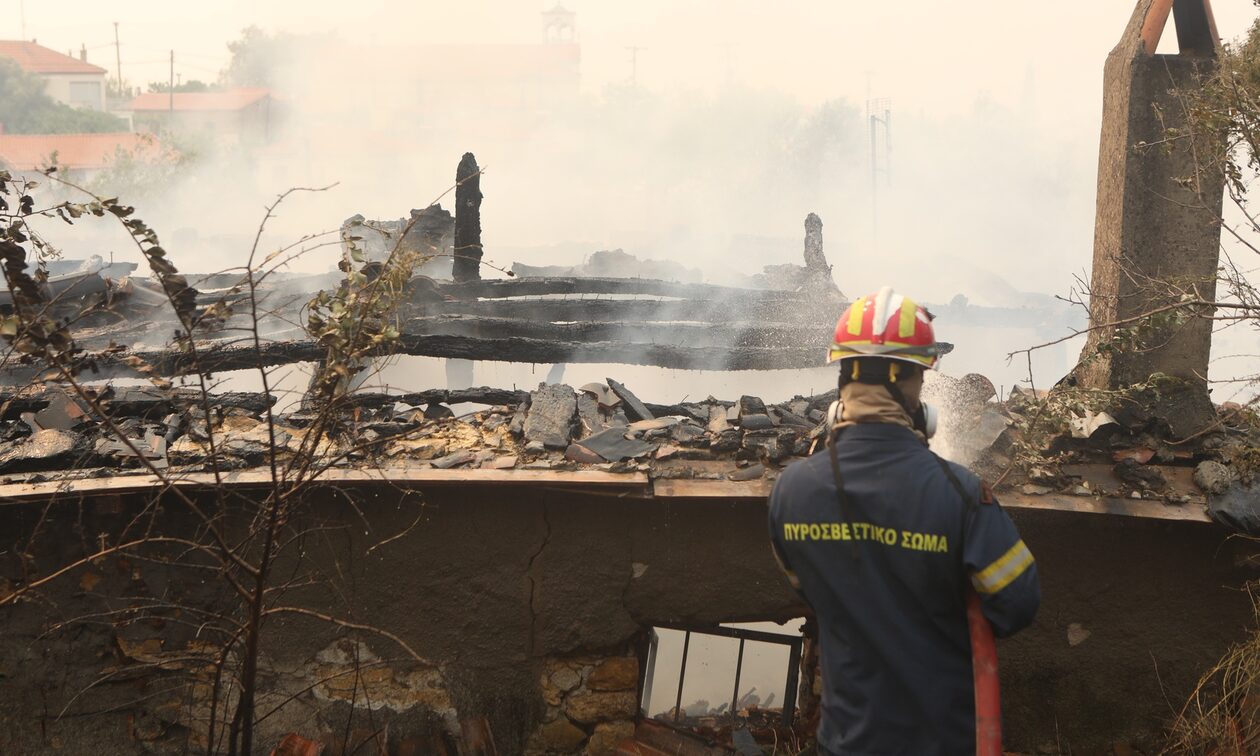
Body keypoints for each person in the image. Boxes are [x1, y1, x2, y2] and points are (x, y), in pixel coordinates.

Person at [768, 286, 1040, 755]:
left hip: (842, 742)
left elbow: (807, 588)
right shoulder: (962, 495)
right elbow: (1018, 605)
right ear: (912, 383)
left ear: (844, 377)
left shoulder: (790, 493)